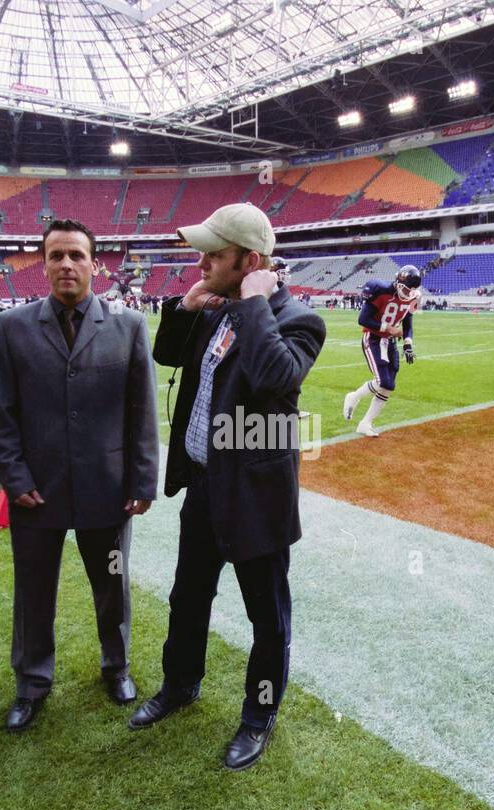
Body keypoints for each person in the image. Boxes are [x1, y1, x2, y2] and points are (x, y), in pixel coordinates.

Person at [129, 203, 325, 771]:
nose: (202, 262)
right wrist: (184, 308)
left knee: (267, 616)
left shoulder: (295, 319)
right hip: (205, 489)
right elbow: (167, 355)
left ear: (252, 261)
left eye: (214, 254)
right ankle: (180, 684)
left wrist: (256, 302)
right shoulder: (216, 309)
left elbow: (273, 378)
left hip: (256, 500)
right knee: (187, 597)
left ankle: (258, 717)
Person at [0, 219, 159, 732]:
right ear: (42, 263)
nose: (66, 264)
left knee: (112, 586)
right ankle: (31, 683)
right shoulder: (12, 327)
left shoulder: (127, 326)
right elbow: (2, 414)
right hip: (36, 493)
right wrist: (15, 480)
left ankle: (117, 666)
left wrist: (142, 481)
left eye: (76, 256)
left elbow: (141, 412)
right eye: (56, 255)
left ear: (94, 263)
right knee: (34, 591)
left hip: (107, 490)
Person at [341, 264, 420, 437]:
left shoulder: (412, 296)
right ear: (398, 282)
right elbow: (363, 319)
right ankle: (354, 396)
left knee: (388, 386)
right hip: (374, 338)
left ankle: (365, 423)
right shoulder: (380, 290)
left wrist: (407, 344)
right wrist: (388, 328)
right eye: (406, 290)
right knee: (383, 381)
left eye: (411, 291)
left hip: (390, 342)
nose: (409, 294)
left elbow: (407, 323)